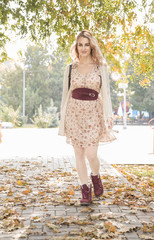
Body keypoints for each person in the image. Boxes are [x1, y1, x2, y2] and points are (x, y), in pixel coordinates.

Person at [58, 30, 116, 205]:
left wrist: (108, 115)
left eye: (86, 44)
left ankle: (95, 176)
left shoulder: (100, 67)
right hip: (73, 113)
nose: (83, 48)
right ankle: (85, 189)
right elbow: (65, 94)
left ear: (92, 46)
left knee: (91, 154)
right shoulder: (70, 68)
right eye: (80, 44)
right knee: (79, 153)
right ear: (76, 47)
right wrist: (63, 119)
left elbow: (105, 92)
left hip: (93, 112)